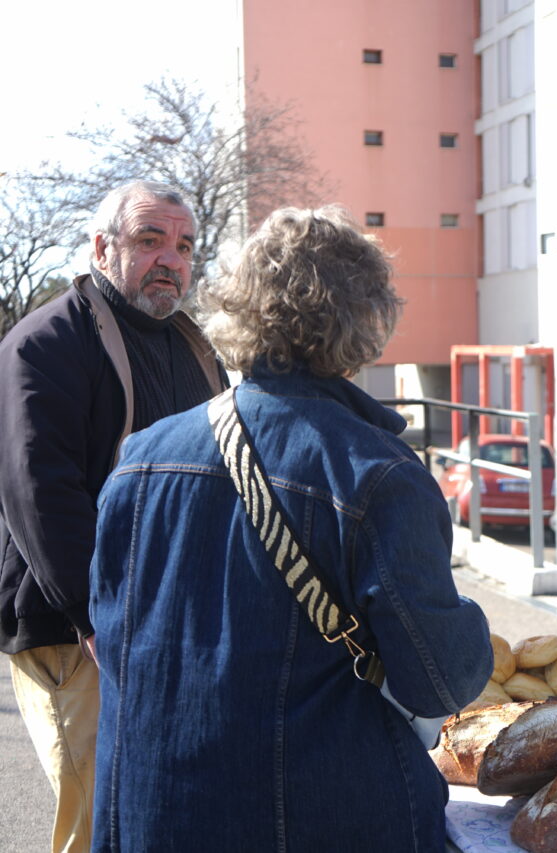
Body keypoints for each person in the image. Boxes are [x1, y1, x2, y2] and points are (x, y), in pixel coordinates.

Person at [88, 205, 492, 852]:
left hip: (145, 814)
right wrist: (469, 624)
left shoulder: (140, 456)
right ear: (367, 318)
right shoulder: (378, 473)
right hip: (319, 818)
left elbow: (112, 639)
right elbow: (439, 681)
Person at [0, 180, 226, 853]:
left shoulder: (192, 348)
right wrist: (93, 614)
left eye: (184, 245)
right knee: (99, 816)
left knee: (163, 811)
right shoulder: (46, 343)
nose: (172, 260)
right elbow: (41, 492)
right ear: (102, 247)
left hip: (171, 621)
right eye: (151, 239)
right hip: (77, 632)